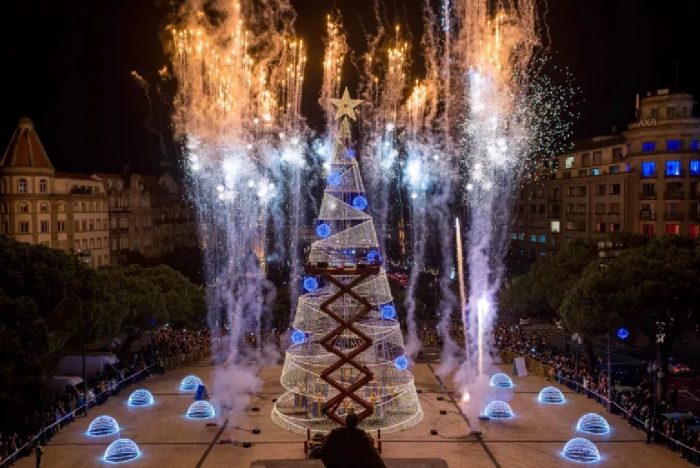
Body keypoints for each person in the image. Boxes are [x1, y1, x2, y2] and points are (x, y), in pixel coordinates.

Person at [317, 412, 386, 468]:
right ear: (357, 422)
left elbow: (322, 452)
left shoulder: (336, 433)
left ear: (346, 421)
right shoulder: (361, 435)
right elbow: (373, 455)